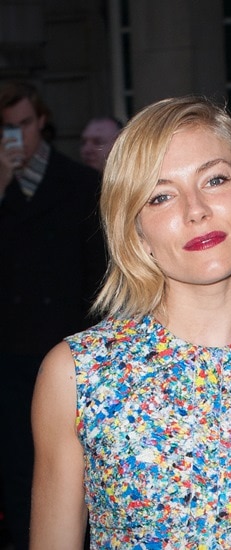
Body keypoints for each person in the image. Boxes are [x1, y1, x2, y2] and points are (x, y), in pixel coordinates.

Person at [30, 96, 231, 548]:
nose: (194, 210)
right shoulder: (78, 374)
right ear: (136, 228)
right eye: (160, 196)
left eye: (214, 180)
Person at [0, 80, 106, 550]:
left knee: (75, 476)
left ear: (41, 120)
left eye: (23, 123)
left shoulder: (80, 184)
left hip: (65, 350)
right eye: (5, 127)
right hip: (7, 356)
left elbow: (97, 274)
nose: (15, 136)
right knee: (18, 474)